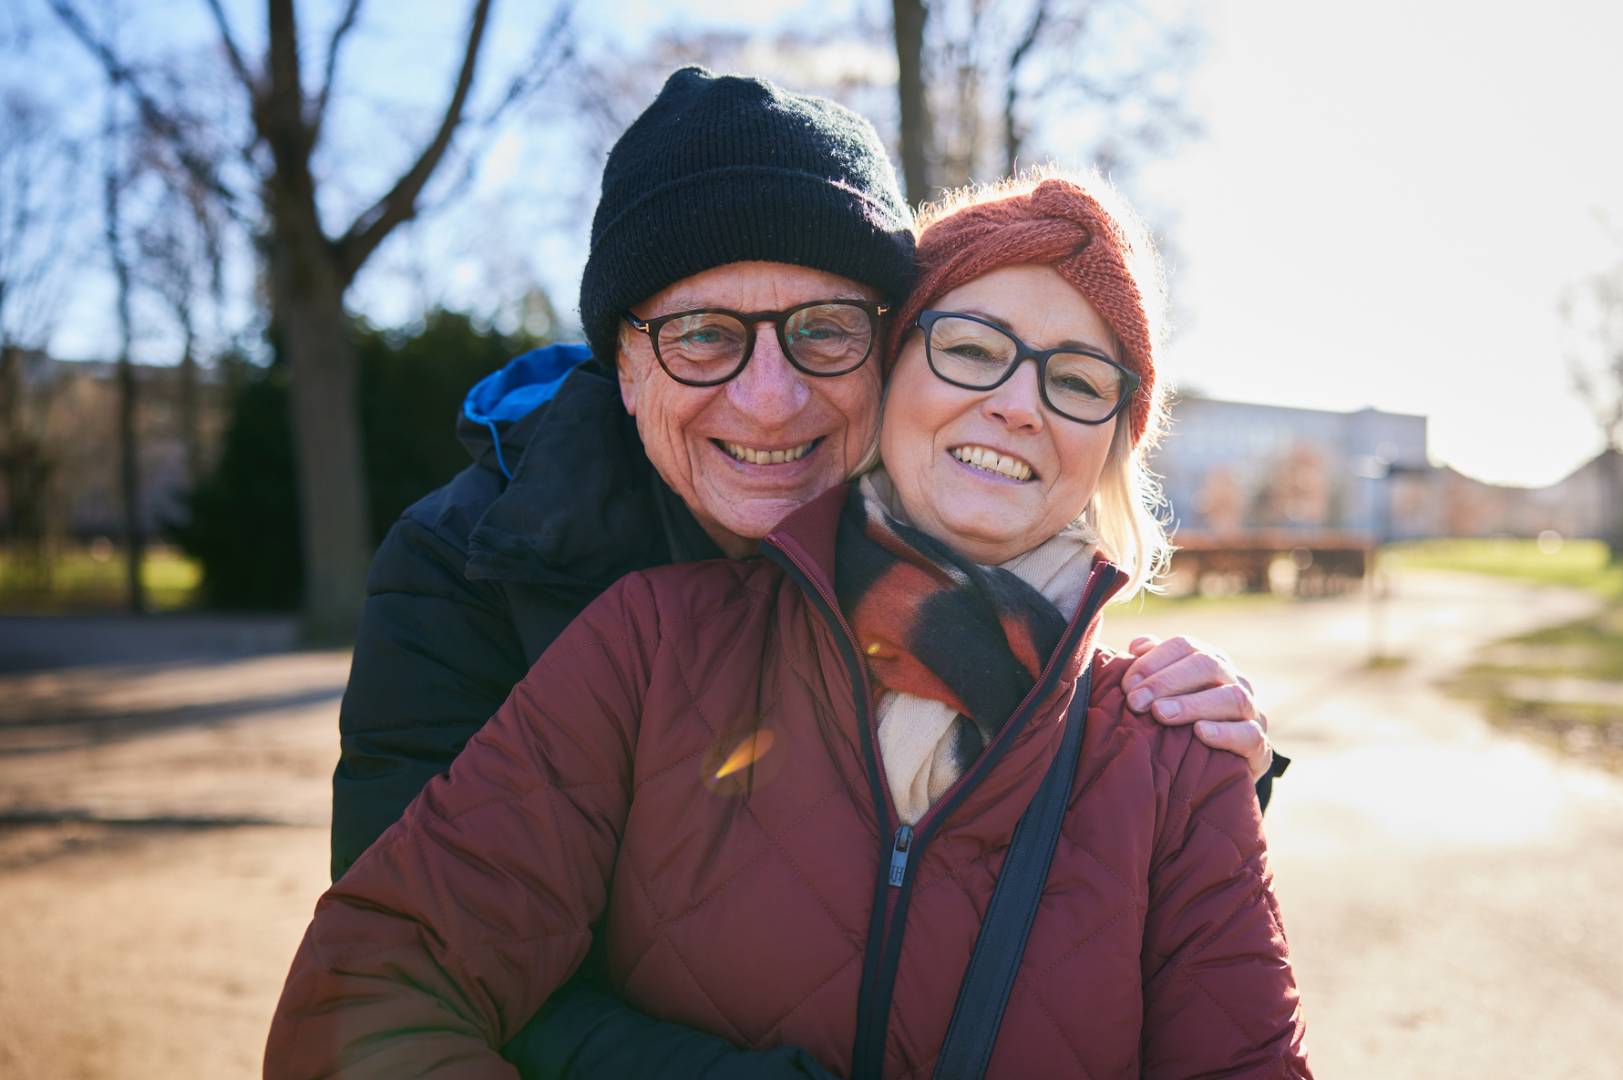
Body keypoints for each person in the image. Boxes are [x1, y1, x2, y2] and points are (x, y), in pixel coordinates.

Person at [329, 67, 1284, 1076]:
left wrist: (1190, 789)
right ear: (622, 358)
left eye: (824, 330)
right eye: (703, 334)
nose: (772, 401)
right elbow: (401, 986)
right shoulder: (525, 589)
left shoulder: (1132, 723)